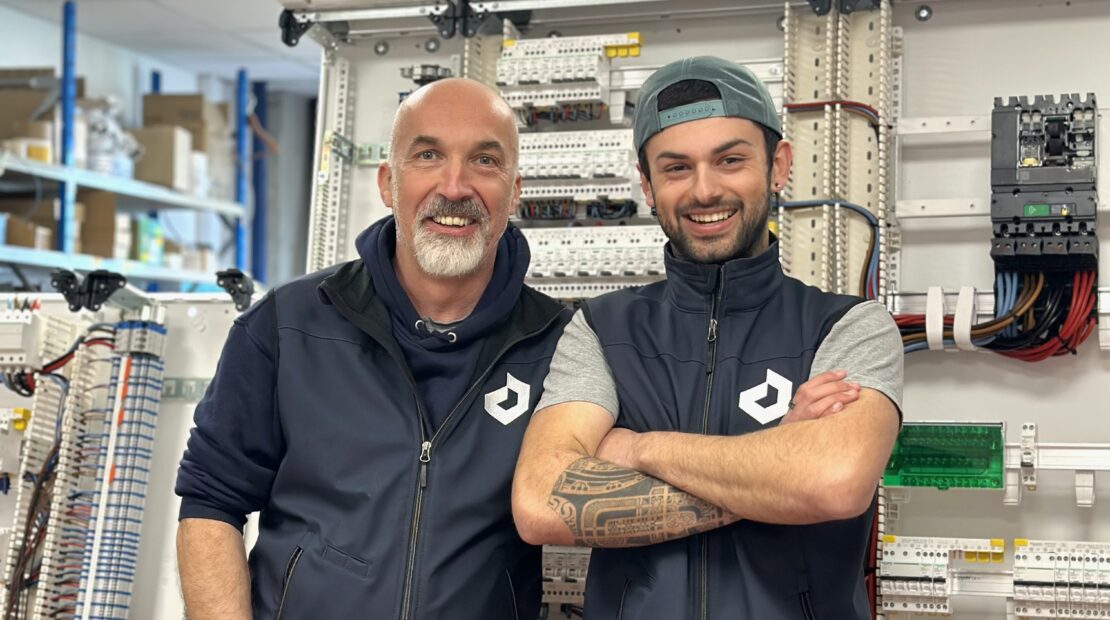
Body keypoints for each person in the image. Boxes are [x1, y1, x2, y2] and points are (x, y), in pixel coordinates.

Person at [512, 56, 903, 618]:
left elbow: (832, 483)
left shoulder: (848, 327)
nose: (704, 190)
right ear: (646, 185)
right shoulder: (601, 329)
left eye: (731, 160)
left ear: (778, 165)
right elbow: (540, 503)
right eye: (675, 169)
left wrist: (638, 448)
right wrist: (774, 465)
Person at [174, 78, 570, 620]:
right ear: (389, 182)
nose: (454, 186)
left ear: (514, 191)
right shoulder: (288, 326)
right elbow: (210, 504)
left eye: (484, 160)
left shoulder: (560, 345)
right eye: (428, 155)